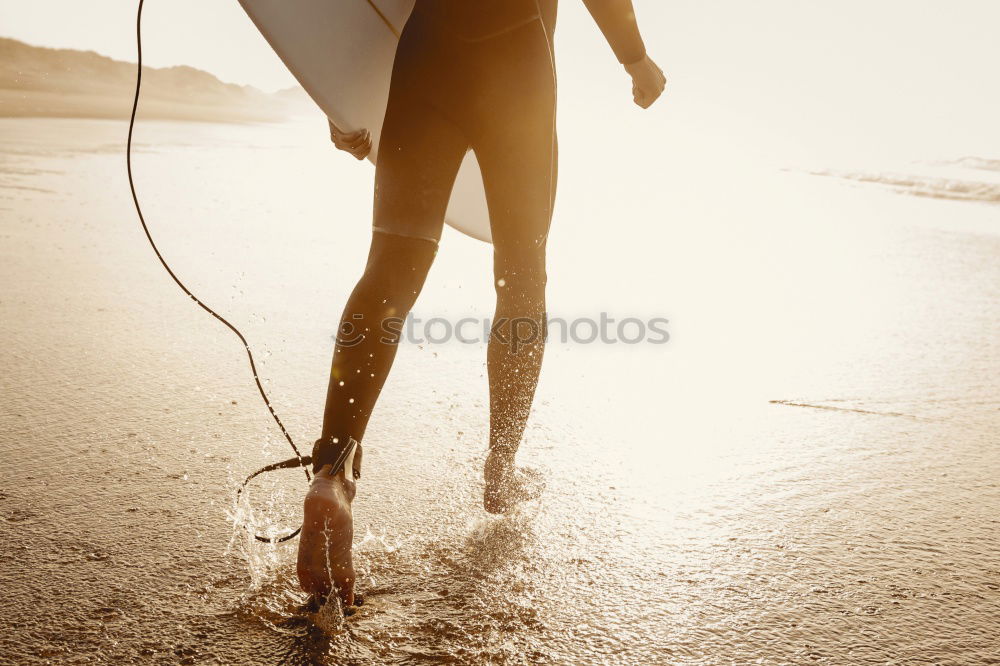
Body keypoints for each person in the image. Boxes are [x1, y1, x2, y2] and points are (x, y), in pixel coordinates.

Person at [297, 0, 666, 609]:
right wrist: (635, 58)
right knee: (522, 279)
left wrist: (340, 96)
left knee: (391, 270)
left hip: (427, 59)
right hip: (517, 62)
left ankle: (333, 467)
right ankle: (500, 467)